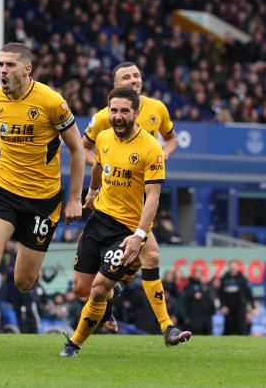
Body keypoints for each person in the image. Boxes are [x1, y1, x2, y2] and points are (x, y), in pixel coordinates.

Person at [0, 42, 85, 360]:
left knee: (23, 281)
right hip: (3, 191)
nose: (2, 71)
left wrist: (75, 198)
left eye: (9, 65)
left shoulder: (52, 102)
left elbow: (77, 150)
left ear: (27, 69)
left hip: (43, 200)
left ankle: (24, 266)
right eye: (0, 65)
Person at [61, 87, 190, 358]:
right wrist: (92, 191)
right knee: (82, 289)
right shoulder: (105, 137)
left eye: (124, 111)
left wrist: (140, 235)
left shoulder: (151, 149)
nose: (118, 116)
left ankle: (73, 345)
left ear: (136, 113)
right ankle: (111, 299)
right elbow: (97, 166)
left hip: (127, 230)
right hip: (99, 221)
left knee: (98, 289)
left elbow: (153, 197)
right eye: (114, 110)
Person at [80, 61, 181, 335]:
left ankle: (163, 326)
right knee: (145, 258)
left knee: (145, 257)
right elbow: (84, 148)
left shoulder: (157, 108)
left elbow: (171, 139)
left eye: (137, 75)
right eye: (127, 76)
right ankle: (116, 299)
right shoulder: (105, 117)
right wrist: (104, 167)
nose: (134, 79)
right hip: (118, 198)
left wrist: (162, 156)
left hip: (145, 194)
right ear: (115, 86)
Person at [218, 261, 255, 335]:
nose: (233, 269)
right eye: (231, 268)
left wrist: (251, 310)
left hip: (240, 308)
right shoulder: (224, 279)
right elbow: (220, 295)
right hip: (228, 309)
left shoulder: (243, 280)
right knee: (228, 331)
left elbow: (249, 295)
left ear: (238, 268)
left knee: (241, 330)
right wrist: (222, 306)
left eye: (234, 268)